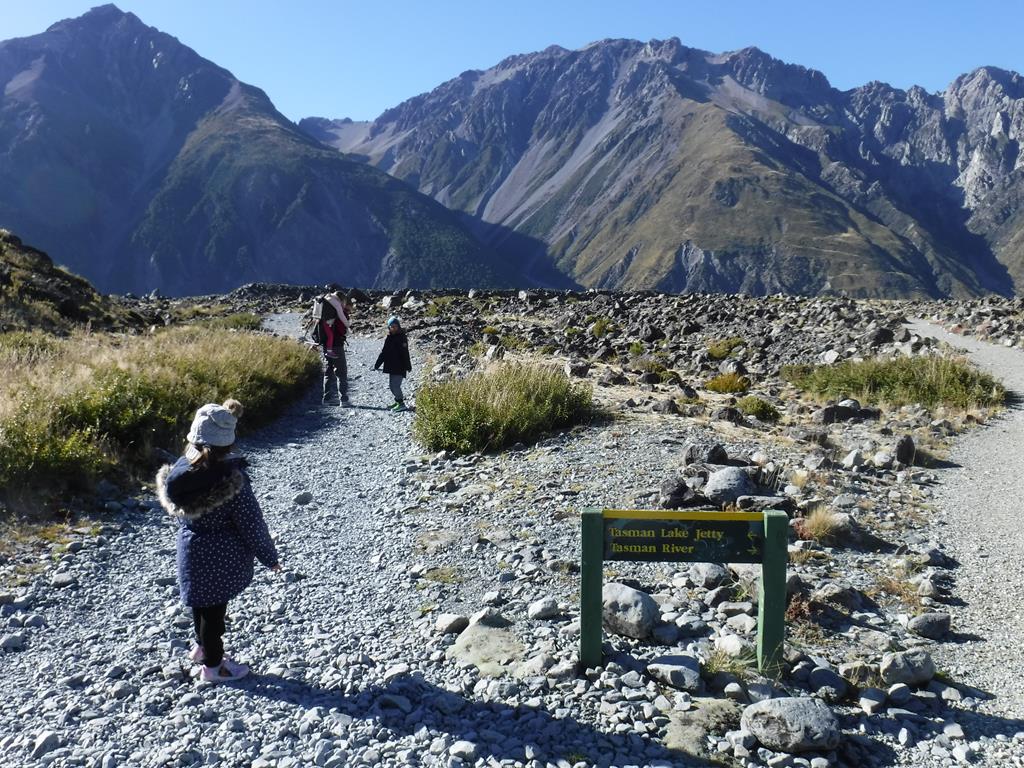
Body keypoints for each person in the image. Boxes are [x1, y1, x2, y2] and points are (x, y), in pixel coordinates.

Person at [156, 399, 280, 683]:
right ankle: (213, 666)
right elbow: (251, 523)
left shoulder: (181, 470)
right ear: (229, 443)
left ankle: (201, 647)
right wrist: (269, 557)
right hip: (222, 555)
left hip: (190, 547)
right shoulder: (231, 481)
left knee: (200, 603)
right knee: (215, 613)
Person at [374, 315, 412, 411]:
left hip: (400, 366)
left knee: (395, 386)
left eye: (395, 326)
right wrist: (377, 364)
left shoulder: (402, 338)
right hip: (392, 366)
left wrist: (408, 366)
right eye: (391, 326)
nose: (393, 328)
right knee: (391, 386)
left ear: (398, 326)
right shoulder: (389, 338)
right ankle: (397, 402)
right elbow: (384, 352)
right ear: (389, 327)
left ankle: (401, 404)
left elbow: (405, 353)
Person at [321, 288, 351, 405]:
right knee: (341, 372)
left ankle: (326, 399)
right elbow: (342, 330)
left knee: (328, 371)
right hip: (337, 345)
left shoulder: (327, 310)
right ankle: (343, 399)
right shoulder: (339, 313)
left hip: (326, 345)